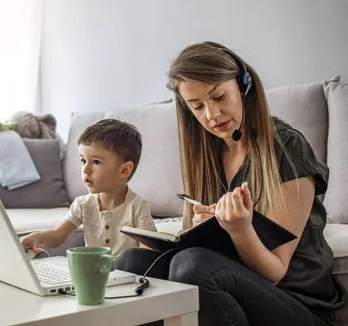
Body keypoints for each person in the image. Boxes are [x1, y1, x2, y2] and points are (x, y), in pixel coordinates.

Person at [116, 42, 345, 325]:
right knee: (133, 263)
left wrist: (239, 228)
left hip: (297, 303)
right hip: (233, 294)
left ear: (243, 86)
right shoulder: (206, 155)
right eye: (197, 106)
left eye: (219, 97)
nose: (211, 115)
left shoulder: (287, 147)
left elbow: (275, 271)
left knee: (193, 266)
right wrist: (199, 229)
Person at [21, 119, 156, 257]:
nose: (86, 169)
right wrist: (36, 238)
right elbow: (58, 236)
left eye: (96, 162)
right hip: (93, 274)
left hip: (126, 274)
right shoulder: (82, 205)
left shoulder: (138, 207)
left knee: (133, 257)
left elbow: (147, 250)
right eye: (83, 161)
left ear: (124, 170)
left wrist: (115, 261)